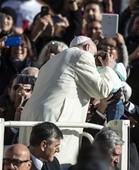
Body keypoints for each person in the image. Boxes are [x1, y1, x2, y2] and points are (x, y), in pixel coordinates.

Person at [19, 35, 122, 164]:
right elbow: (101, 90)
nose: (94, 60)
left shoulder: (51, 62)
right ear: (87, 47)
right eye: (94, 55)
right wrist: (108, 68)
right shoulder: (81, 55)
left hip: (31, 115)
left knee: (30, 163)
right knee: (54, 163)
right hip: (55, 118)